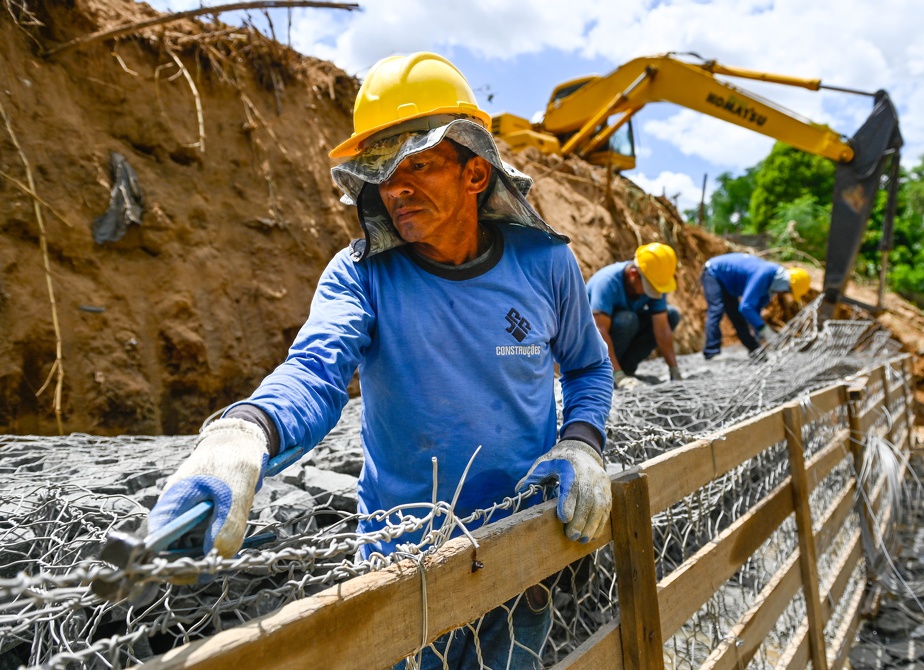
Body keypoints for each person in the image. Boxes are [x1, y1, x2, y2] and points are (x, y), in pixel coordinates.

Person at [147, 52, 614, 668]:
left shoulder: (545, 264)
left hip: (517, 547)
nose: (395, 187)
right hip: (402, 563)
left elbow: (587, 366)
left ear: (476, 174)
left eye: (417, 164)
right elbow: (317, 372)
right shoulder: (360, 275)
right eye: (382, 170)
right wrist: (242, 434)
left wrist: (582, 444)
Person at [585, 243, 682, 388]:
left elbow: (661, 327)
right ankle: (606, 372)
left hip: (620, 341)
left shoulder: (654, 279)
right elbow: (599, 331)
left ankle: (626, 368)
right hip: (590, 348)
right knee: (627, 320)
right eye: (650, 289)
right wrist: (618, 376)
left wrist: (674, 369)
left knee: (671, 315)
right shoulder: (606, 282)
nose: (652, 293)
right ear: (633, 275)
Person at [701, 252, 811, 359]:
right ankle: (711, 351)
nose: (784, 294)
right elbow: (746, 307)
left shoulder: (770, 286)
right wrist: (764, 330)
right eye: (788, 291)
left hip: (728, 285)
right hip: (714, 273)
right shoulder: (764, 273)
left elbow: (754, 311)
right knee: (716, 309)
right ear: (785, 282)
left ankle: (755, 351)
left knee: (737, 317)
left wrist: (758, 332)